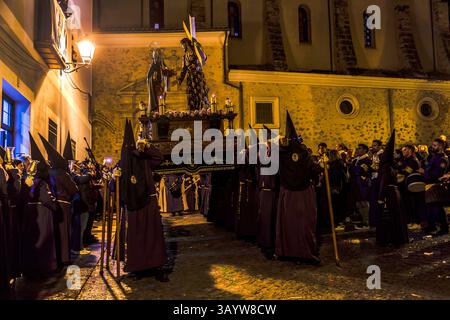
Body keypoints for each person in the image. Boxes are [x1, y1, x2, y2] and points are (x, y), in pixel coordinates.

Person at [120, 120, 168, 281]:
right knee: (137, 237)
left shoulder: (143, 159)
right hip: (135, 205)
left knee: (152, 234)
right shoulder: (123, 166)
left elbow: (159, 157)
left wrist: (146, 146)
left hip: (148, 201)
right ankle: (138, 267)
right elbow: (116, 184)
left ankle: (156, 265)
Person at [276, 112, 321, 265]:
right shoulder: (304, 154)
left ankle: (288, 251)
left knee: (289, 223)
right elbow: (314, 170)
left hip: (288, 194)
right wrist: (321, 168)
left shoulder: (281, 155)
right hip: (304, 194)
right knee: (304, 224)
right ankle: (305, 251)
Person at [39, 134, 79, 267]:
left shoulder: (49, 173)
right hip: (64, 204)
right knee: (64, 231)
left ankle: (57, 258)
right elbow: (73, 189)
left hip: (53, 204)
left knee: (55, 231)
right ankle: (64, 258)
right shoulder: (63, 174)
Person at [22, 133, 59, 276]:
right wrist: (54, 206)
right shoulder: (41, 183)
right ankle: (43, 268)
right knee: (43, 241)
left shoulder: (29, 181)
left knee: (31, 241)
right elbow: (47, 199)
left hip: (29, 214)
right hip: (42, 214)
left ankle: (30, 267)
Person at [376, 130, 409, 246]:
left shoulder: (386, 167)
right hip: (395, 193)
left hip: (388, 194)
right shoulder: (393, 166)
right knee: (397, 216)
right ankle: (399, 237)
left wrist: (380, 197)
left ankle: (390, 238)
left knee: (389, 217)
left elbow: (384, 182)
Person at [421, 138, 449, 235]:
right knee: (431, 207)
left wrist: (425, 173)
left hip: (436, 184)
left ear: (441, 146)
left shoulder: (442, 159)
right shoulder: (434, 157)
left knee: (437, 207)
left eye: (435, 145)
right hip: (430, 184)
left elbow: (438, 174)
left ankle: (443, 228)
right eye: (433, 145)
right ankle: (431, 226)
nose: (432, 147)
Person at [397, 144, 424, 226]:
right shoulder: (405, 159)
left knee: (412, 204)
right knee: (407, 204)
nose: (402, 151)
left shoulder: (413, 160)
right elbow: (399, 168)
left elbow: (406, 171)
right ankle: (410, 221)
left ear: (410, 150)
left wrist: (399, 170)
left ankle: (414, 221)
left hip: (412, 186)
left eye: (404, 150)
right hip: (405, 186)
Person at [348, 144, 373, 228]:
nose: (357, 150)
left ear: (365, 150)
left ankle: (367, 221)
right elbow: (351, 170)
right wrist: (354, 169)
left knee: (364, 202)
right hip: (355, 183)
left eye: (359, 149)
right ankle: (363, 220)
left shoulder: (367, 160)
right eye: (357, 148)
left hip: (363, 183)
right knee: (358, 203)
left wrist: (354, 169)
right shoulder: (356, 160)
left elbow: (360, 170)